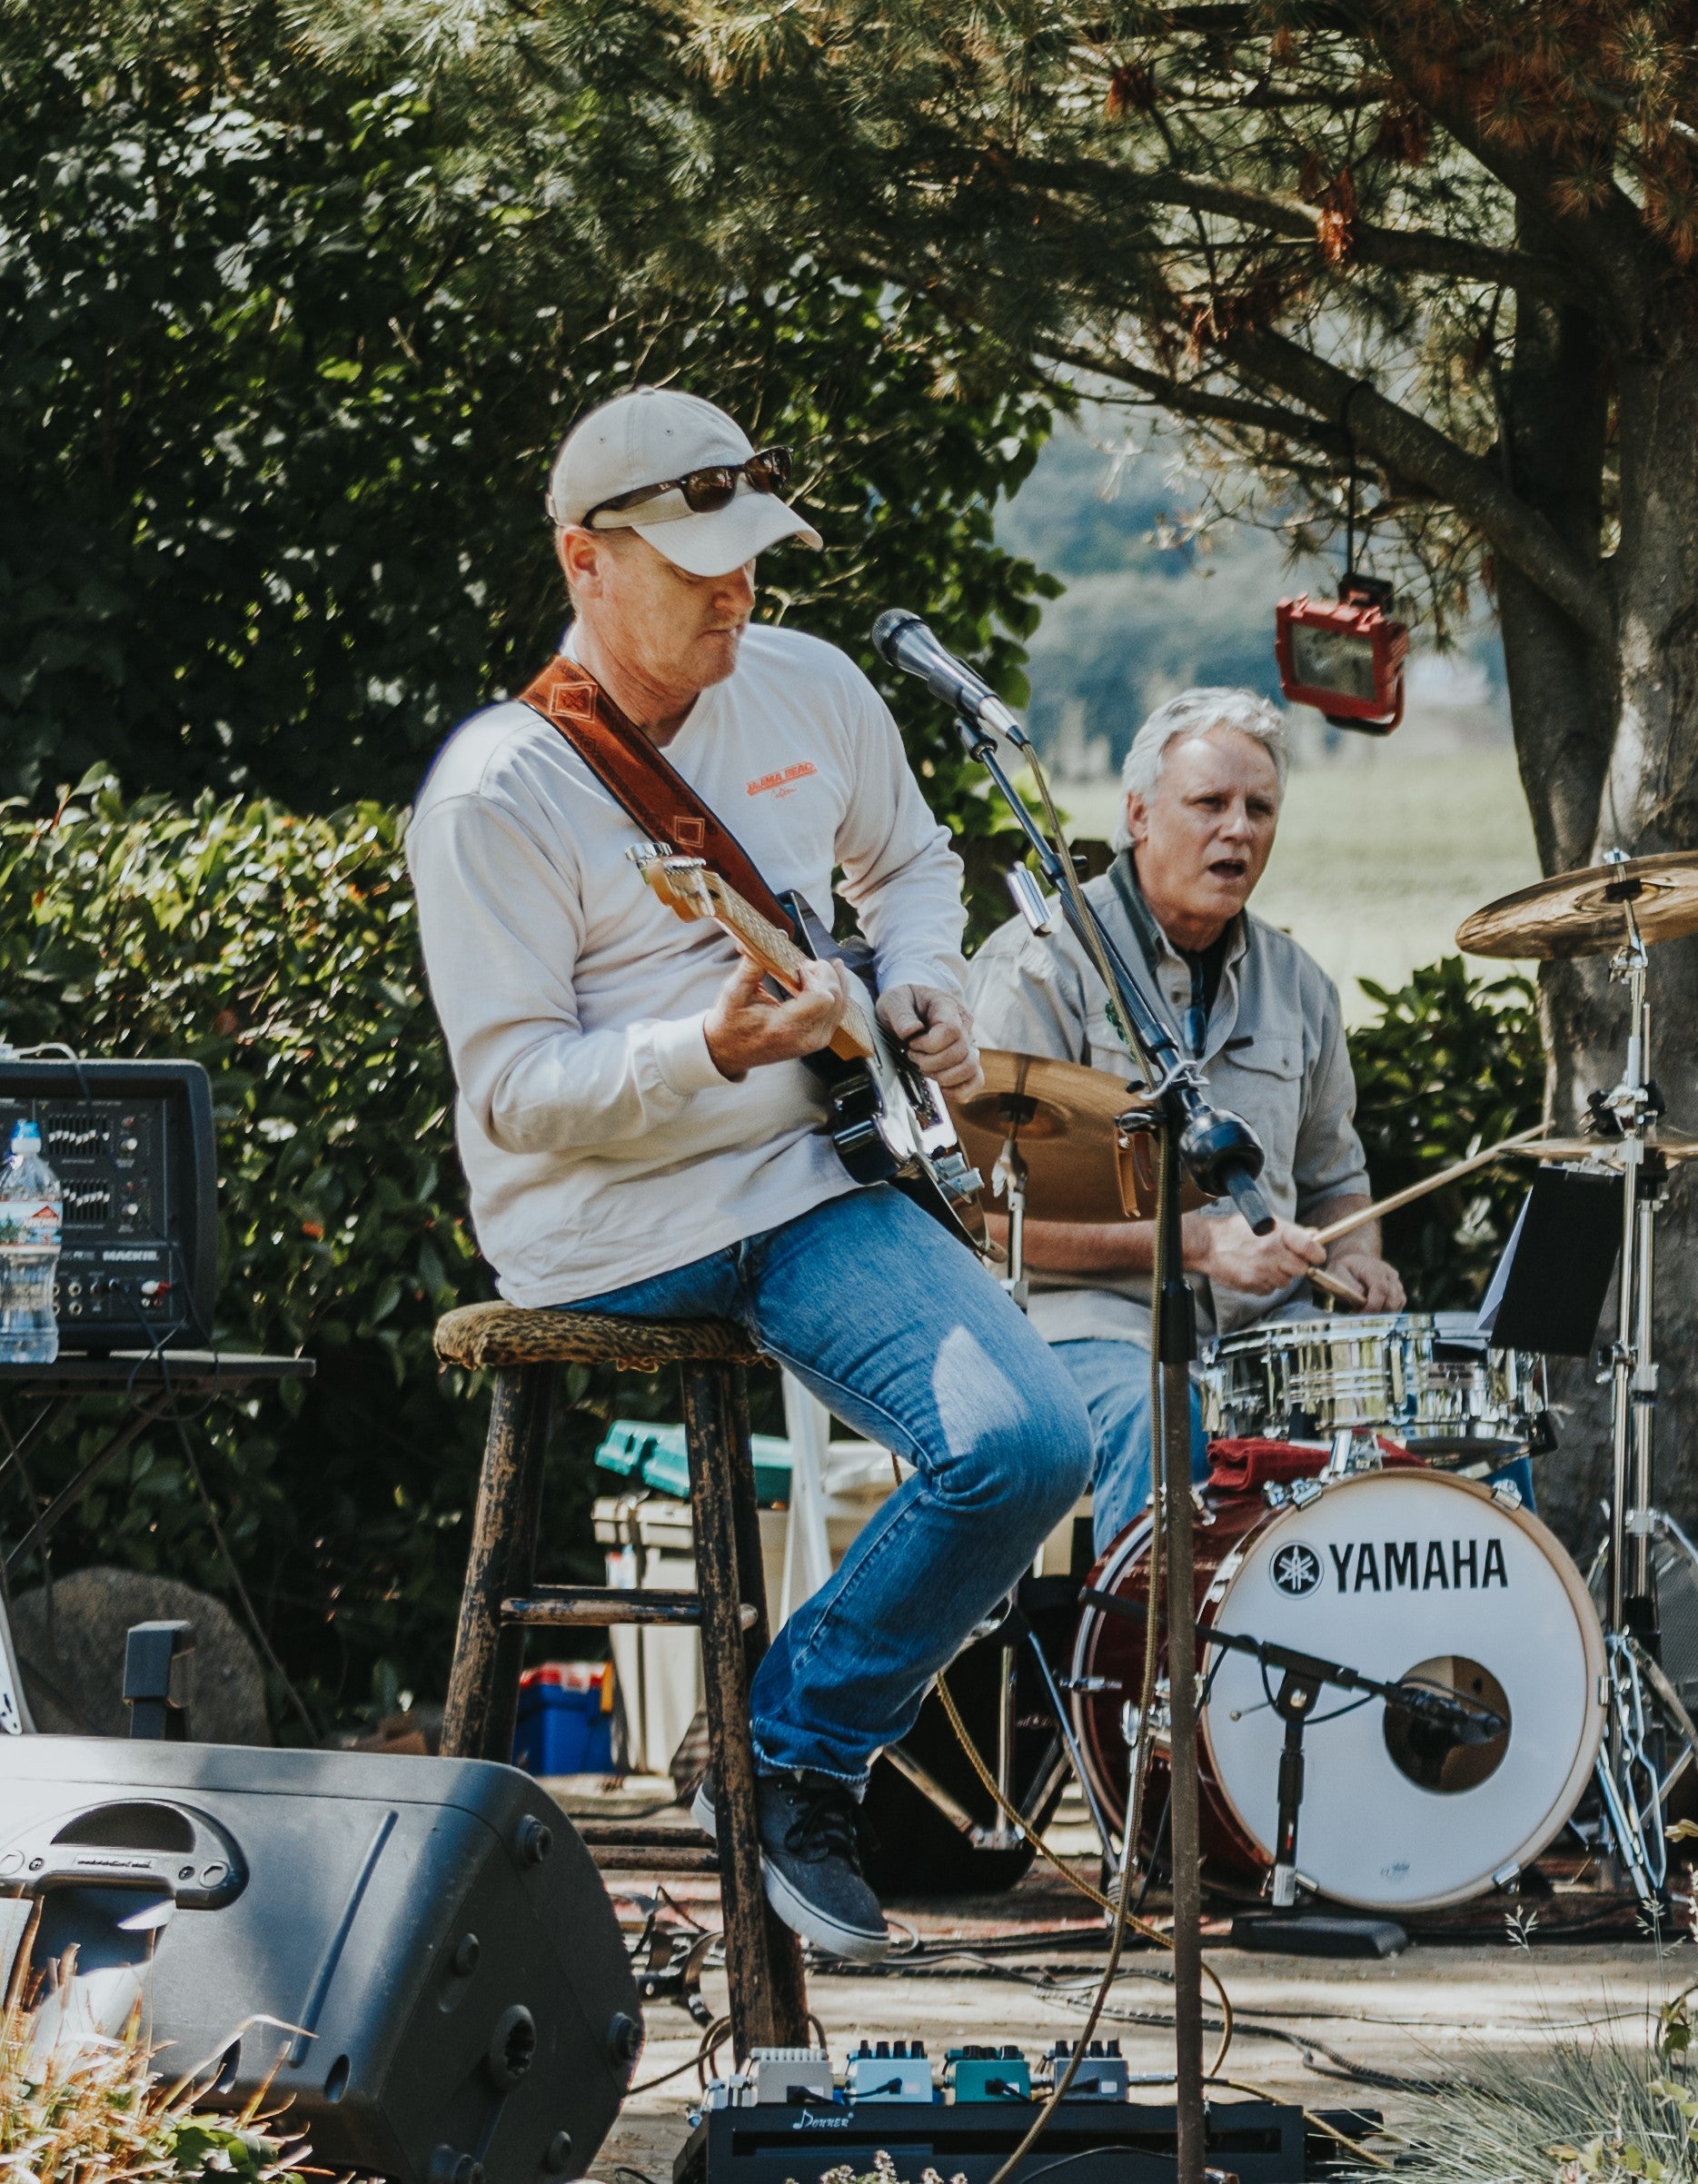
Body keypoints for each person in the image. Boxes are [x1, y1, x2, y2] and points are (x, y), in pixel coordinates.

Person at [408, 389, 1093, 1963]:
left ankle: (788, 1752)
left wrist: (925, 982)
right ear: (587, 563)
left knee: (1029, 1445)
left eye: (753, 558)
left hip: (810, 1171)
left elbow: (911, 865)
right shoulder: (497, 791)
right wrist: (704, 1051)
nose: (741, 592)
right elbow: (510, 1096)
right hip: (610, 1228)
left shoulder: (806, 684)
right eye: (699, 564)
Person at [968, 687, 1398, 1549]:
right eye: (1210, 804)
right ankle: (1156, 1679)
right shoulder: (1040, 969)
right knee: (1160, 1414)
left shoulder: (1301, 985)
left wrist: (1356, 1256)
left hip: (1267, 1333)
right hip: (1087, 1324)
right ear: (1138, 815)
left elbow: (1336, 1180)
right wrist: (1194, 1244)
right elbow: (982, 1223)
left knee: (1412, 1421)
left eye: (1259, 808)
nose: (1238, 829)